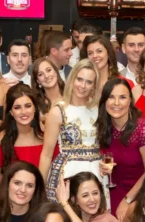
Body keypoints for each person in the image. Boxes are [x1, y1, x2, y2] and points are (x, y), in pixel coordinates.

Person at [96, 77, 145, 218]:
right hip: (107, 192)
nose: (117, 103)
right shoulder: (102, 127)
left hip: (136, 195)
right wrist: (100, 167)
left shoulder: (142, 129)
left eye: (122, 97)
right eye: (111, 97)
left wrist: (128, 200)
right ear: (104, 101)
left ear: (130, 101)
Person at [40, 59, 102, 200]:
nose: (83, 86)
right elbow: (46, 154)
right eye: (79, 79)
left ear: (94, 86)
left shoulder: (98, 109)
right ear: (72, 79)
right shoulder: (58, 111)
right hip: (68, 174)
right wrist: (41, 188)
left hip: (96, 174)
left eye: (89, 82)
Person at [0, 84, 45, 173]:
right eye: (17, 108)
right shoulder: (2, 137)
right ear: (11, 112)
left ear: (35, 108)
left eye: (28, 106)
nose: (23, 112)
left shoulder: (46, 135)